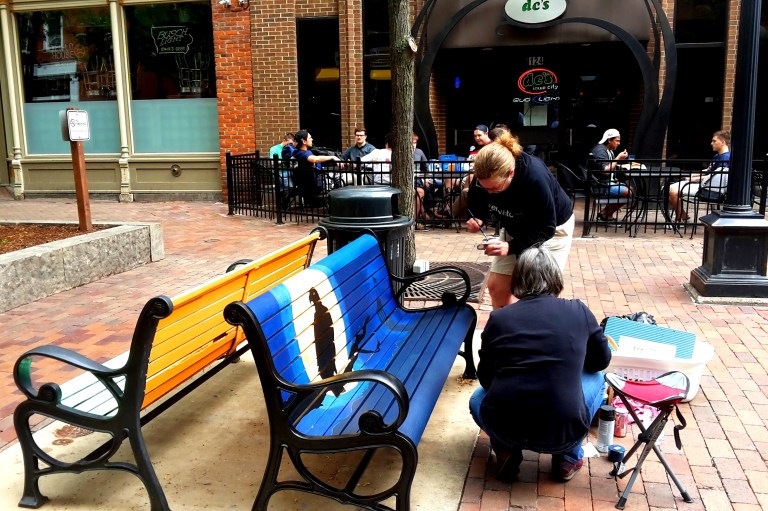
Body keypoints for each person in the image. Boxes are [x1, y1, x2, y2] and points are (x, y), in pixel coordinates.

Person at [469, 245, 611, 483]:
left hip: (507, 426)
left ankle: (505, 450)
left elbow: (486, 379)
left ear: (518, 279)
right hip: (562, 430)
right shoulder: (579, 311)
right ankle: (567, 458)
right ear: (556, 277)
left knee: (477, 399)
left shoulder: (500, 318)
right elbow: (601, 361)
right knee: (597, 379)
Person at [466, 131, 574, 310]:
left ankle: (533, 334)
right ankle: (505, 332)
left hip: (551, 231)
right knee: (497, 287)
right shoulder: (485, 172)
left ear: (511, 173)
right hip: (514, 227)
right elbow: (476, 198)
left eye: (495, 189)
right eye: (486, 188)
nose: (489, 193)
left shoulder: (534, 177)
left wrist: (511, 247)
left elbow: (546, 228)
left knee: (538, 294)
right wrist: (477, 216)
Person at [667, 130, 731, 222]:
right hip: (706, 186)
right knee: (671, 190)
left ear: (723, 142)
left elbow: (714, 178)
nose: (711, 143)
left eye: (714, 141)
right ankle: (683, 216)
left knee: (673, 190)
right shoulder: (718, 156)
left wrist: (692, 179)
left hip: (708, 189)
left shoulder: (725, 158)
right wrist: (691, 175)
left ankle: (679, 220)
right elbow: (708, 171)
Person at [587, 129, 632, 221]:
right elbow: (606, 170)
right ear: (609, 140)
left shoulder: (608, 150)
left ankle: (605, 213)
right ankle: (606, 214)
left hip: (606, 183)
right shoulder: (600, 151)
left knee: (631, 189)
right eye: (617, 141)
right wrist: (618, 158)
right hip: (600, 186)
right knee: (628, 192)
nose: (618, 143)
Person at [451, 124, 494, 218]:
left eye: (479, 135)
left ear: (486, 134)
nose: (477, 138)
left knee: (470, 180)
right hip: (466, 175)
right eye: (475, 136)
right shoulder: (473, 147)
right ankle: (448, 208)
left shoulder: (491, 147)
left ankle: (450, 214)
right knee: (449, 180)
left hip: (480, 179)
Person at [292, 130, 340, 207]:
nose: (312, 139)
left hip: (302, 184)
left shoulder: (296, 152)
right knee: (338, 177)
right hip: (312, 185)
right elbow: (314, 159)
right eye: (310, 138)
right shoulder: (305, 153)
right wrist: (333, 157)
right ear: (304, 141)